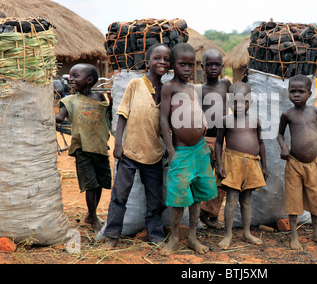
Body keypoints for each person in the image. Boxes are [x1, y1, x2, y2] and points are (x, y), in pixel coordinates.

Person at [103, 44, 171, 248]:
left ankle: (156, 235)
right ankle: (113, 235)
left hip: (155, 154)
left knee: (155, 198)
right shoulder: (135, 84)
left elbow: (168, 123)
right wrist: (118, 144)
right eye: (157, 58)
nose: (162, 62)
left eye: (166, 60)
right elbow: (122, 114)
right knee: (120, 195)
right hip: (130, 152)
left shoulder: (167, 90)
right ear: (148, 61)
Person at [160, 43, 217, 255]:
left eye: (191, 65)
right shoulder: (170, 87)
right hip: (181, 152)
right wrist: (170, 150)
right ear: (173, 65)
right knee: (178, 197)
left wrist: (206, 143)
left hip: (199, 150)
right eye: (182, 64)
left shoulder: (193, 89)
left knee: (197, 194)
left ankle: (193, 237)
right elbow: (164, 121)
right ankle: (174, 237)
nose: (186, 68)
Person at [55, 63, 112, 232]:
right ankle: (94, 218)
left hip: (100, 147)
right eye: (70, 76)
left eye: (75, 76)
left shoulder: (101, 98)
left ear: (89, 80)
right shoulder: (69, 100)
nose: (70, 79)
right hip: (82, 149)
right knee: (90, 184)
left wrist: (113, 99)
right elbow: (60, 117)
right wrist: (48, 119)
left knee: (100, 183)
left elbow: (107, 114)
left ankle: (90, 214)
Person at [277, 74, 317, 250]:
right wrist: (283, 147)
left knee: (316, 197)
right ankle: (294, 237)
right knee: (293, 200)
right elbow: (279, 134)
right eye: (293, 91)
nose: (297, 95)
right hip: (294, 163)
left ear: (310, 93)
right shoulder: (287, 114)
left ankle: (316, 234)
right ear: (288, 93)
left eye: (301, 91)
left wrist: (316, 140)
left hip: (313, 163)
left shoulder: (315, 111)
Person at [215, 82, 268, 250]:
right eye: (234, 101)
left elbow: (260, 143)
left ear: (250, 102)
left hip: (252, 163)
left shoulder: (255, 120)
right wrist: (219, 163)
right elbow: (218, 143)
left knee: (246, 200)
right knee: (231, 199)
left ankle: (246, 233)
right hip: (233, 163)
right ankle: (228, 234)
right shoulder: (225, 120)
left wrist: (264, 166)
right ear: (229, 102)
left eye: (243, 101)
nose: (238, 105)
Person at [198, 49, 231, 229]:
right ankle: (198, 212)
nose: (213, 67)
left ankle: (209, 213)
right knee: (203, 177)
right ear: (202, 67)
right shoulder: (198, 90)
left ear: (222, 67)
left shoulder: (226, 84)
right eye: (209, 64)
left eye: (216, 64)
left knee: (221, 177)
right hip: (203, 140)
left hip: (222, 140)